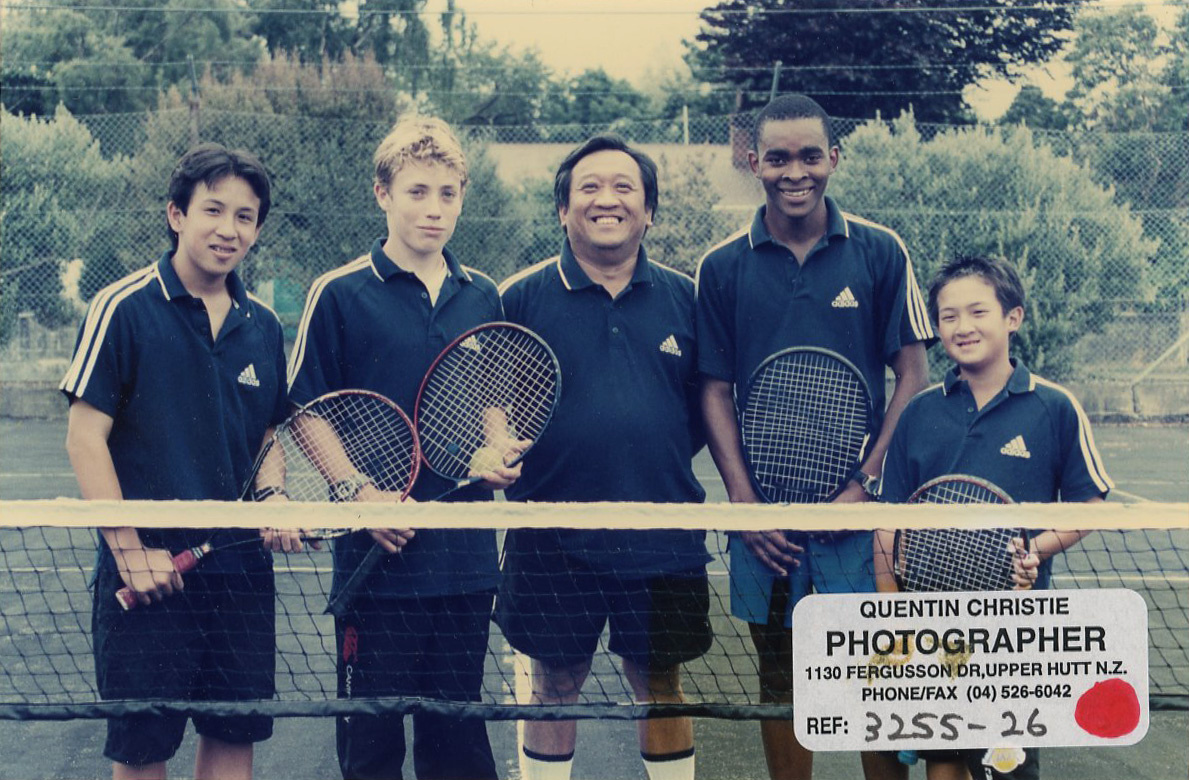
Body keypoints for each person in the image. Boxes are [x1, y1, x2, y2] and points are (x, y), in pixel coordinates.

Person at [694, 93, 935, 780]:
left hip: (858, 524)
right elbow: (712, 387)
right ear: (752, 162)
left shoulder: (880, 251)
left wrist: (864, 487)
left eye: (808, 155)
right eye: (776, 157)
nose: (793, 171)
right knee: (780, 680)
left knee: (870, 679)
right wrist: (745, 503)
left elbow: (913, 372)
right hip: (765, 523)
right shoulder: (721, 266)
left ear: (833, 158)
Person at [287, 115, 521, 780]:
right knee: (372, 748)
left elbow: (495, 399)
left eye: (447, 194)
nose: (434, 209)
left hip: (466, 563)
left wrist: (497, 449)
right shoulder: (338, 293)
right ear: (382, 193)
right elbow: (306, 408)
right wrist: (358, 495)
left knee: (457, 743)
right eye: (417, 191)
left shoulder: (483, 293)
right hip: (375, 568)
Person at [60, 143, 295, 780]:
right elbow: (85, 438)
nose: (229, 229)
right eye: (212, 210)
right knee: (144, 752)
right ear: (176, 214)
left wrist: (273, 498)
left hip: (238, 571)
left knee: (231, 735)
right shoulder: (124, 308)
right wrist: (131, 553)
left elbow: (268, 431)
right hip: (147, 568)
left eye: (244, 216)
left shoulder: (265, 325)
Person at [495, 134, 712, 780]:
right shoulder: (519, 299)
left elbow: (700, 413)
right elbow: (492, 408)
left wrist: (644, 450)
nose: (606, 199)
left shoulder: (687, 300)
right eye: (588, 187)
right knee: (553, 681)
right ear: (562, 210)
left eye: (624, 188)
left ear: (648, 212)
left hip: (663, 536)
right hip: (550, 540)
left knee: (660, 681)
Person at [876, 254, 1111, 780]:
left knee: (1005, 768)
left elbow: (1089, 504)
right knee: (942, 763)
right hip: (930, 623)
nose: (962, 327)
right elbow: (890, 520)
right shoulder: (919, 412)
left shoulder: (1054, 406)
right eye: (948, 316)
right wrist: (893, 612)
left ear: (1013, 317)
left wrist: (1037, 548)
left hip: (1013, 630)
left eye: (977, 312)